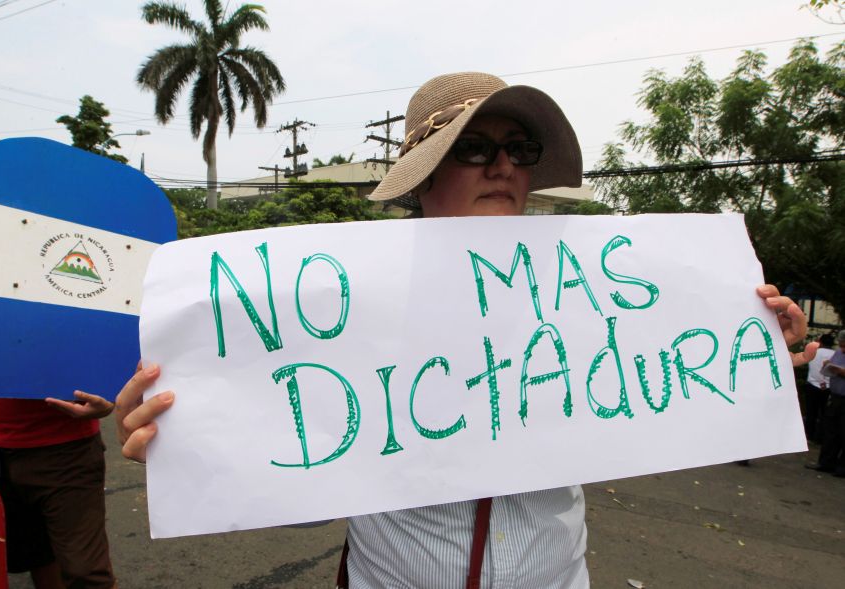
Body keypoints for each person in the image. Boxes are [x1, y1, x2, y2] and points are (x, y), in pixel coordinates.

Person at [114, 72, 818, 588]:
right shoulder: (338, 300)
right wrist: (194, 442)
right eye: (475, 148)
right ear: (423, 177)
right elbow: (302, 483)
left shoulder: (591, 287)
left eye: (520, 146)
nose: (505, 165)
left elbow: (669, 398)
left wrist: (759, 355)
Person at [0, 169, 119, 589]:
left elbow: (108, 347)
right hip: (0, 451)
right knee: (36, 558)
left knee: (85, 573)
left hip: (64, 455)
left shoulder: (61, 276)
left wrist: (108, 399)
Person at [806, 330, 845, 476]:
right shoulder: (838, 353)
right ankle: (826, 462)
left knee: (843, 432)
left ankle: (842, 467)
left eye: (844, 346)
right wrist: (828, 366)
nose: (842, 349)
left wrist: (839, 371)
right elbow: (827, 370)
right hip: (835, 396)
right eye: (841, 345)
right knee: (830, 430)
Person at [803, 333, 835, 442]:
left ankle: (809, 435)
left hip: (812, 385)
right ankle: (820, 437)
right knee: (825, 414)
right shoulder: (835, 355)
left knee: (811, 412)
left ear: (820, 342)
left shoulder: (814, 352)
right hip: (829, 388)